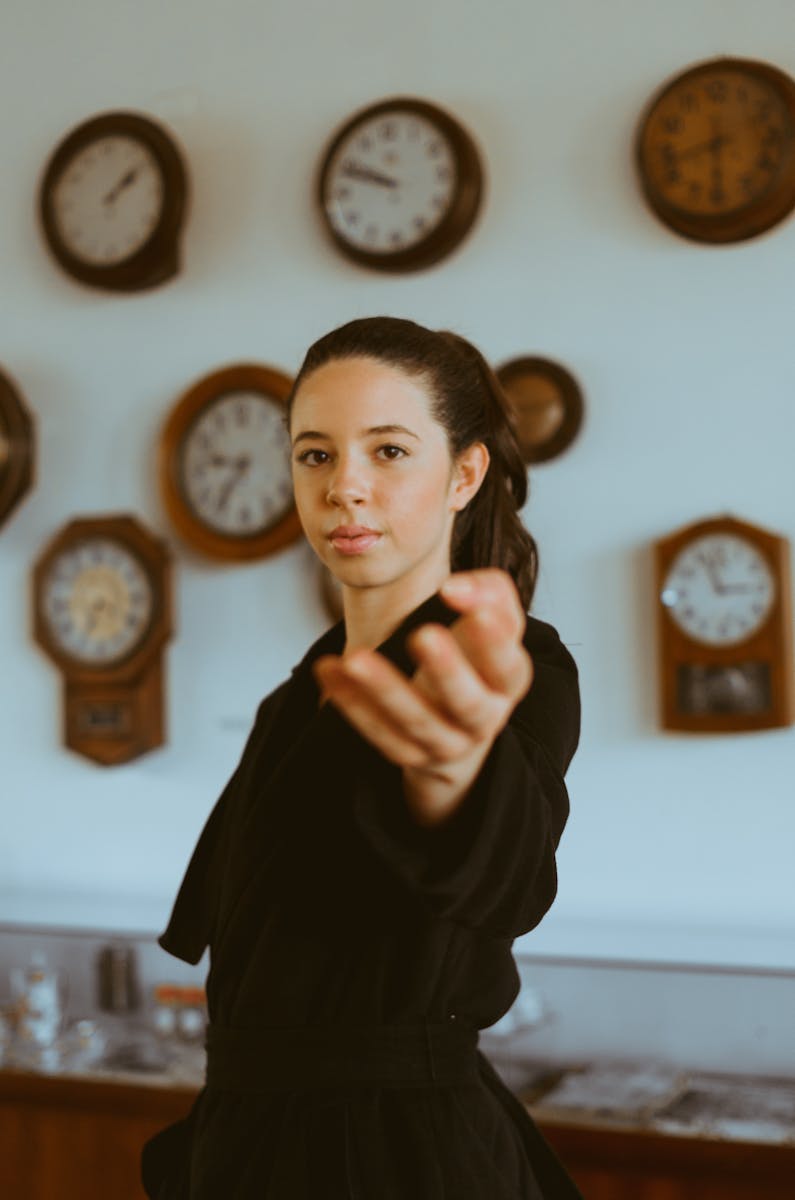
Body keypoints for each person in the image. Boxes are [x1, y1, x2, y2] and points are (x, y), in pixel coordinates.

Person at [141, 316, 582, 1199]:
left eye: (387, 451)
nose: (345, 486)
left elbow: (503, 871)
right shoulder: (297, 698)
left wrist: (454, 778)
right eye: (315, 454)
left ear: (463, 473)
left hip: (393, 1155)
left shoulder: (515, 667)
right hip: (257, 1138)